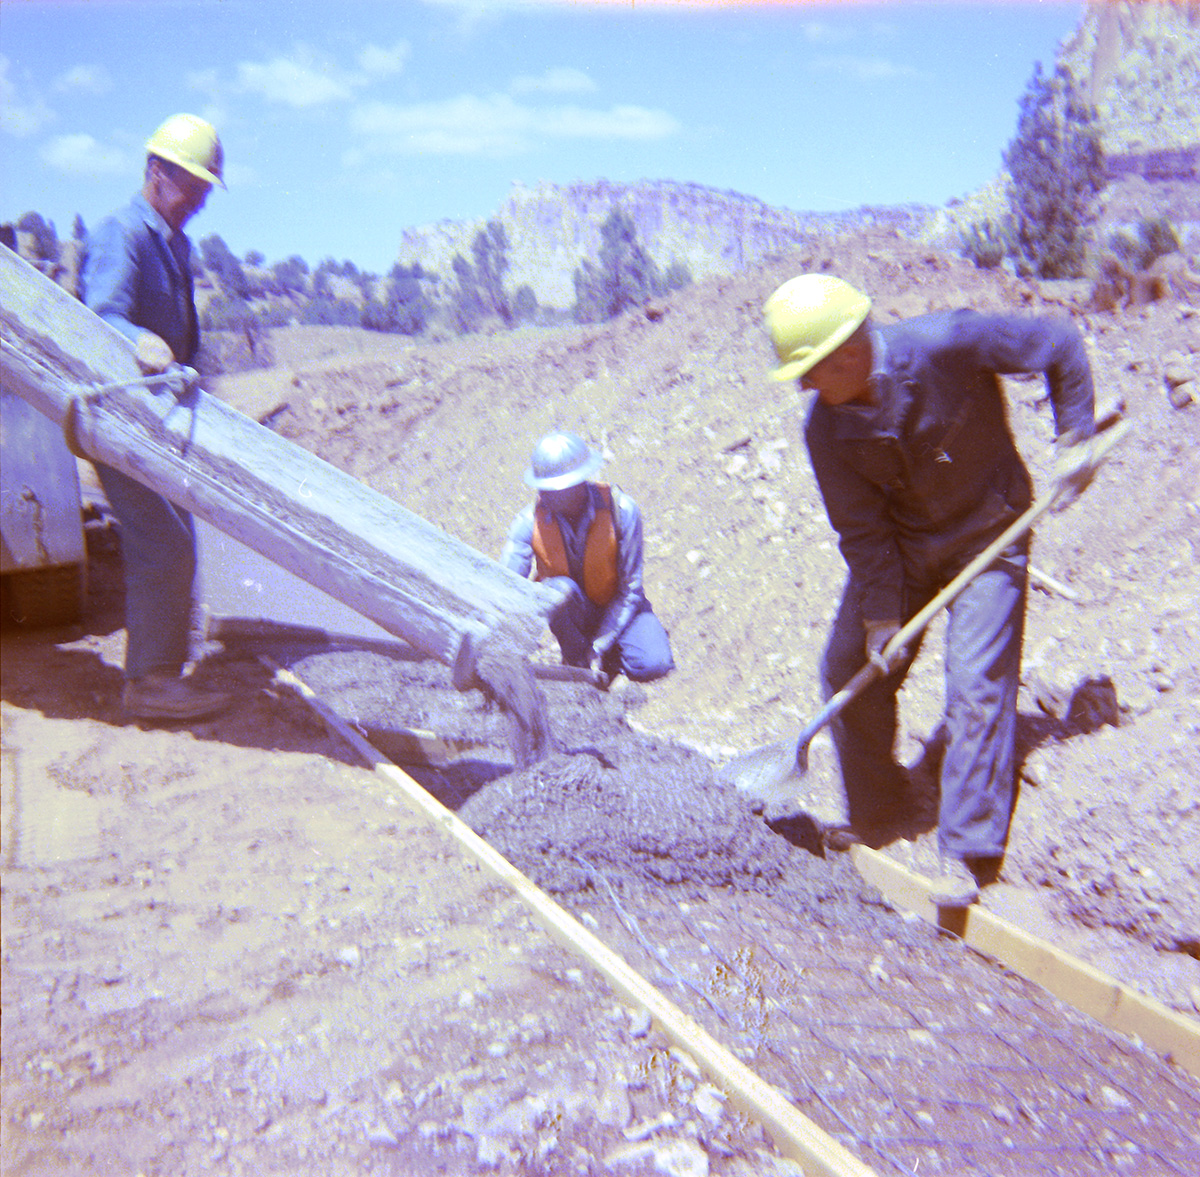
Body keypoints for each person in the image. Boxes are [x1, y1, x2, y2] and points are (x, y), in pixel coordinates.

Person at [763, 274, 1099, 906]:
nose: (805, 388)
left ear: (849, 354)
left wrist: (1075, 436)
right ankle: (880, 809)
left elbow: (1057, 341)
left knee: (975, 682)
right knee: (845, 667)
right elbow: (863, 535)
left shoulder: (949, 342)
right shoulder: (825, 432)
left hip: (990, 531)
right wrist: (881, 621)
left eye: (810, 372)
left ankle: (967, 851)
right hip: (908, 550)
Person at [81, 114, 230, 722]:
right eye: (189, 185)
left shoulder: (174, 243)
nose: (197, 200)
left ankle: (165, 667)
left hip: (159, 419)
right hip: (119, 417)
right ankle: (147, 683)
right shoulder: (123, 234)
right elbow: (99, 318)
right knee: (162, 544)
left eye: (203, 189)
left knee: (180, 536)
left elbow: (184, 340)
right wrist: (134, 340)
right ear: (155, 170)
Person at [500, 431, 675, 685]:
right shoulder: (528, 523)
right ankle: (577, 660)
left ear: (577, 484)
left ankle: (607, 656)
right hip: (574, 618)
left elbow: (631, 590)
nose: (543, 494)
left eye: (553, 488)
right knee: (559, 590)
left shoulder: (622, 511)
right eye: (542, 487)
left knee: (654, 664)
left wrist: (600, 644)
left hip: (621, 608)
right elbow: (506, 585)